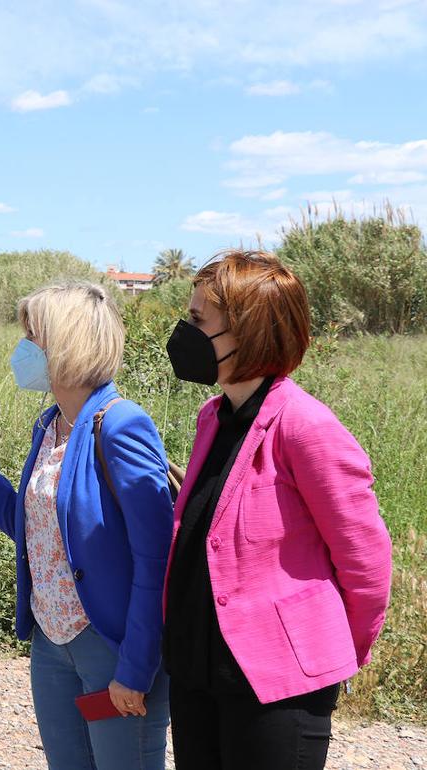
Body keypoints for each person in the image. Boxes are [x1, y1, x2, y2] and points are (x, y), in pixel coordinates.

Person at [161, 249, 392, 770]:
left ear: (249, 332)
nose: (185, 332)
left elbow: (367, 563)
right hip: (198, 672)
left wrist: (327, 658)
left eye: (198, 320)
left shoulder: (306, 427)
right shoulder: (213, 416)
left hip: (276, 688)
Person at [0, 281, 173, 769]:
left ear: (65, 344)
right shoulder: (50, 424)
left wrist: (135, 666)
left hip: (109, 643)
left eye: (32, 335)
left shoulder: (121, 423)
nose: (22, 347)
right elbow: (33, 532)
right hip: (52, 640)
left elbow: (157, 558)